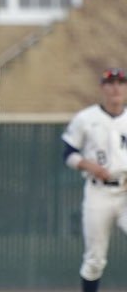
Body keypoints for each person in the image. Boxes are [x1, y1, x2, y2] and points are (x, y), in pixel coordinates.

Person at [61, 68, 127, 292]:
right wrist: (88, 165)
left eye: (121, 82)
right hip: (98, 192)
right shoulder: (86, 119)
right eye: (111, 83)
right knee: (95, 260)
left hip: (125, 190)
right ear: (103, 88)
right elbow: (68, 154)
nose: (116, 87)